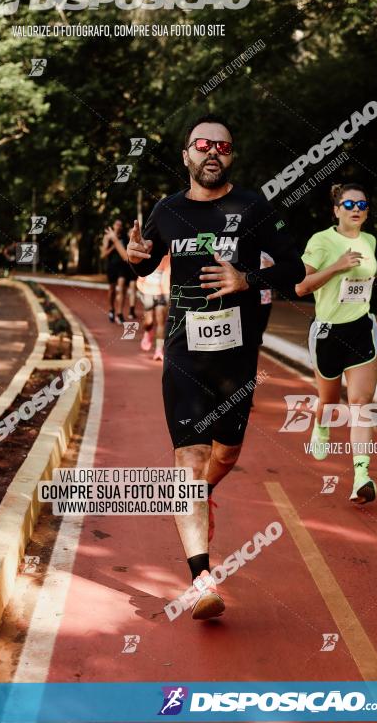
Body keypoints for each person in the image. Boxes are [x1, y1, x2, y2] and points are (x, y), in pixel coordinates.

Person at [127, 114, 305, 620]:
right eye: (202, 144)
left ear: (232, 156)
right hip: (183, 354)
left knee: (224, 456)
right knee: (189, 460)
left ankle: (198, 499)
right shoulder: (167, 210)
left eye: (222, 147)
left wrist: (245, 278)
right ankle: (202, 578)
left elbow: (294, 271)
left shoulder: (252, 206)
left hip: (237, 357)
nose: (212, 152)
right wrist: (138, 258)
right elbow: (146, 260)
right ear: (185, 154)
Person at [295, 183, 377, 504]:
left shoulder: (369, 240)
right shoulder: (321, 241)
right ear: (336, 210)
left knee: (360, 404)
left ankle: (361, 476)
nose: (357, 209)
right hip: (327, 334)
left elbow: (361, 284)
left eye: (363, 205)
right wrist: (337, 265)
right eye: (350, 203)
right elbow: (300, 287)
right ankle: (321, 427)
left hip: (361, 329)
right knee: (328, 401)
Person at [137, 253, 171, 361]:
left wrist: (166, 294)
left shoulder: (168, 255)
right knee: (148, 322)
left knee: (161, 321)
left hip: (162, 292)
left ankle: (159, 350)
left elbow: (168, 274)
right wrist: (141, 287)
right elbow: (141, 273)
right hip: (147, 291)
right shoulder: (149, 253)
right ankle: (148, 331)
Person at [101, 220, 132, 323]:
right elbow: (103, 255)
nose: (118, 226)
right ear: (113, 226)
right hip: (112, 266)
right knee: (112, 290)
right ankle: (111, 309)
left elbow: (127, 253)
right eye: (117, 224)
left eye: (120, 225)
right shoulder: (107, 237)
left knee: (122, 288)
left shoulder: (124, 238)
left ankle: (119, 313)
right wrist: (114, 245)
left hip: (123, 266)